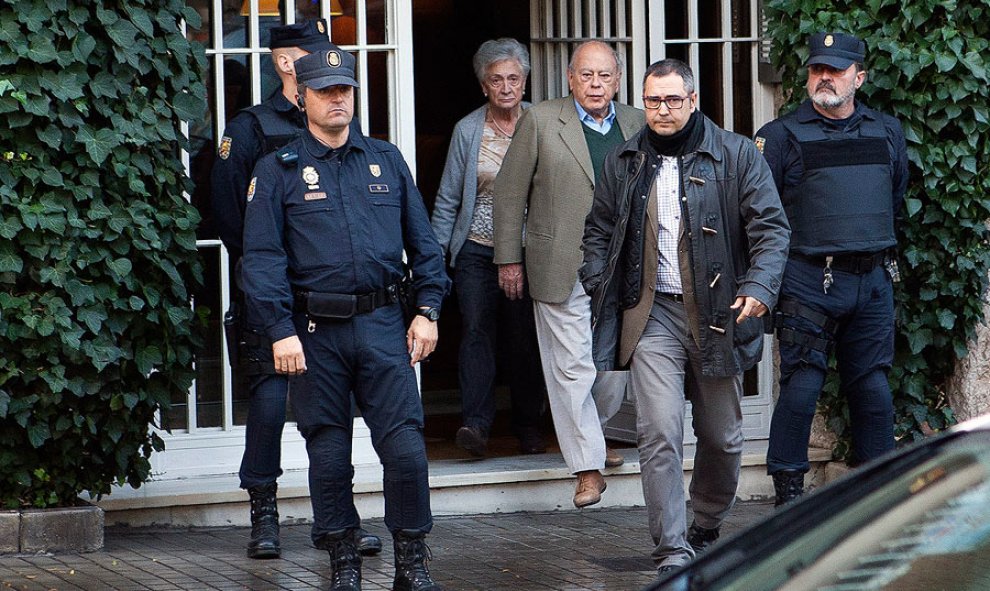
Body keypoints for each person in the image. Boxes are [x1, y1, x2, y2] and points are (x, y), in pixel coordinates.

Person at [240, 45, 450, 590]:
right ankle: (344, 561)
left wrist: (427, 311)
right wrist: (280, 330)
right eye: (326, 91)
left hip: (384, 325)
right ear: (302, 96)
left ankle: (412, 562)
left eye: (345, 90)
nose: (338, 100)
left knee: (405, 449)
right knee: (329, 454)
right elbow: (261, 261)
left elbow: (425, 247)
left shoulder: (387, 159)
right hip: (314, 335)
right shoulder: (278, 169)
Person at [581, 58, 789, 574]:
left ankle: (707, 521)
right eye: (653, 101)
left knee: (723, 436)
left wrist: (760, 286)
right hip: (652, 314)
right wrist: (596, 279)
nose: (663, 110)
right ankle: (671, 547)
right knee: (659, 430)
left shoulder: (736, 154)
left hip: (720, 311)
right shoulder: (626, 159)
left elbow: (771, 229)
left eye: (673, 100)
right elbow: (598, 229)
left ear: (693, 101)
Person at [209, 20, 382, 560]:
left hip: (326, 301)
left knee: (333, 408)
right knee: (267, 402)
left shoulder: (337, 126)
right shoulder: (251, 127)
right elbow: (228, 211)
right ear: (287, 63)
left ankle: (336, 520)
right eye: (317, 55)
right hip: (271, 293)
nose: (332, 70)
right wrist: (271, 273)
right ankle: (264, 513)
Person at [755, 32, 908, 506]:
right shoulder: (779, 136)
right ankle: (787, 495)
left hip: (872, 277)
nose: (824, 77)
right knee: (801, 384)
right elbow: (761, 212)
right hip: (807, 278)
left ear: (858, 78)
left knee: (873, 385)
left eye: (836, 70)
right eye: (817, 69)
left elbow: (895, 193)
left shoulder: (886, 130)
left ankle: (879, 493)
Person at [493, 40, 643, 508]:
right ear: (570, 78)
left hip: (624, 263)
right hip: (560, 260)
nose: (595, 85)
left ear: (617, 80)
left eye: (604, 76)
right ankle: (587, 469)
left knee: (614, 364)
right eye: (586, 75)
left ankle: (592, 437)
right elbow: (508, 193)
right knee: (571, 366)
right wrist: (508, 258)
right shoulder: (541, 120)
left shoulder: (637, 122)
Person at [430, 38, 546, 457]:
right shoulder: (468, 129)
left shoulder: (543, 122)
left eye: (514, 78)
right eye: (496, 80)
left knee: (525, 339)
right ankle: (475, 426)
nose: (506, 87)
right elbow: (447, 199)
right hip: (477, 251)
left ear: (525, 81)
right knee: (476, 334)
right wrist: (435, 257)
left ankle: (529, 426)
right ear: (483, 86)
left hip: (529, 252)